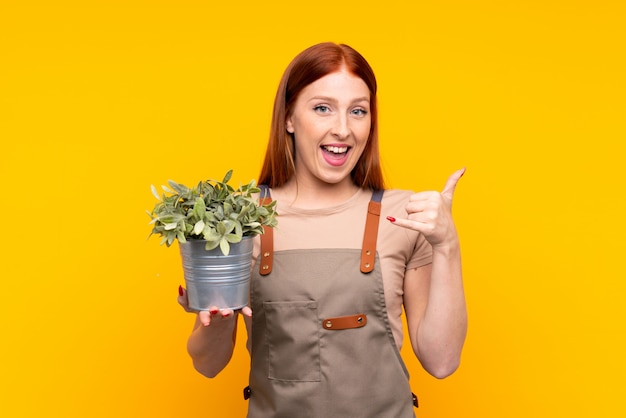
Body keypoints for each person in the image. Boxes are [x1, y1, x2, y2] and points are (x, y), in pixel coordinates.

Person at [178, 42, 467, 417]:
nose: (343, 129)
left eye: (358, 111)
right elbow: (208, 364)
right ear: (289, 118)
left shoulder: (405, 215)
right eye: (322, 108)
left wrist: (447, 244)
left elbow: (441, 361)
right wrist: (216, 320)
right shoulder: (240, 218)